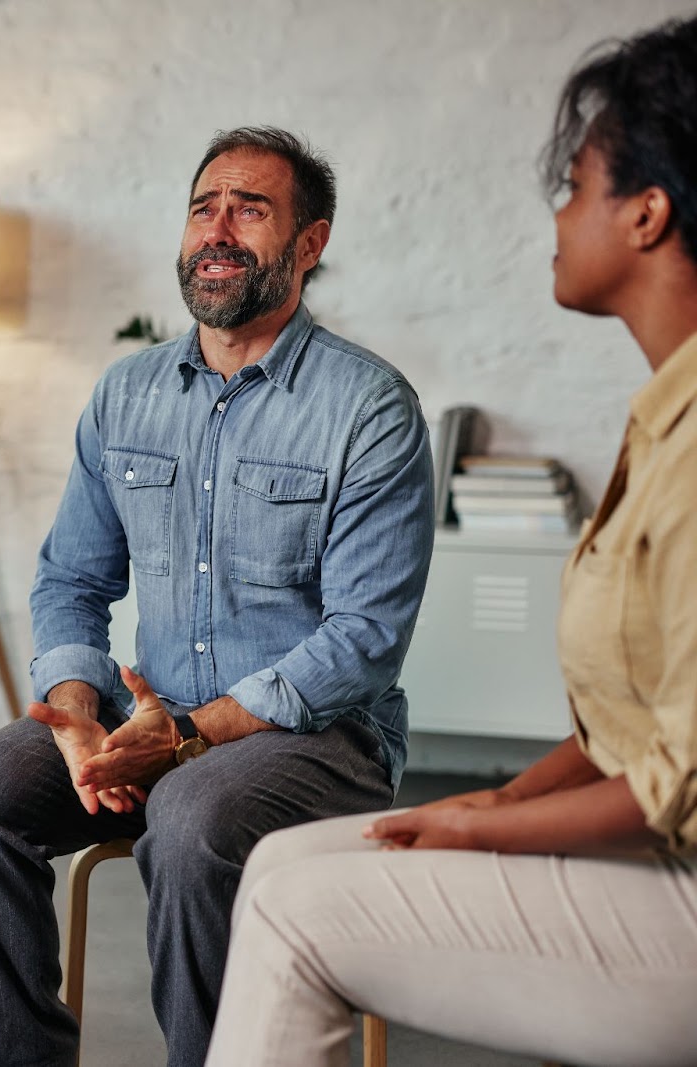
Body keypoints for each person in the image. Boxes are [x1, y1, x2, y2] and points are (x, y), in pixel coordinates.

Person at [205, 18, 697, 1067]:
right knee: (280, 867)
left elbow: (676, 777)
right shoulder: (661, 417)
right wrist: (503, 794)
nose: (555, 215)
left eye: (573, 185)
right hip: (658, 848)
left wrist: (475, 828)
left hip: (681, 883)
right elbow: (633, 735)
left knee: (291, 901)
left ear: (647, 214)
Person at [0, 126, 437, 1066]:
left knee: (192, 816)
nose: (219, 229)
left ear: (309, 244)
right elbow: (72, 578)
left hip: (319, 738)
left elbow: (366, 636)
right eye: (204, 207)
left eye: (251, 209)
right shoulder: (126, 394)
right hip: (143, 714)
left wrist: (194, 735)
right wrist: (79, 715)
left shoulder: (370, 408)